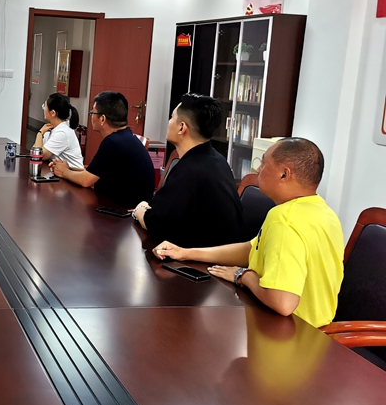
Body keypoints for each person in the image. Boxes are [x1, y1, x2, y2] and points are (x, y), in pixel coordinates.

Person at [153, 138, 344, 329]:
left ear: (284, 174)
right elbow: (253, 249)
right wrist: (185, 253)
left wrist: (243, 275)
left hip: (289, 335)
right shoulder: (325, 213)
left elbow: (282, 302)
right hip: (319, 336)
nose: (258, 169)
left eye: (264, 162)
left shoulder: (284, 219)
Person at [132, 93, 244, 247]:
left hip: (198, 256)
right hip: (216, 251)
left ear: (182, 127)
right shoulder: (217, 160)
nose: (169, 122)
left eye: (172, 117)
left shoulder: (189, 171)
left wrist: (140, 209)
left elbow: (155, 223)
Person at [50, 91, 154, 208]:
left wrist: (64, 172)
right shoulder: (125, 137)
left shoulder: (113, 143)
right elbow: (94, 172)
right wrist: (67, 168)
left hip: (123, 211)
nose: (91, 117)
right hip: (123, 203)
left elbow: (85, 180)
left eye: (92, 113)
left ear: (102, 119)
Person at [33, 93, 84, 169]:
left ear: (53, 113)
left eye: (45, 106)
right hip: (59, 172)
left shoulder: (63, 132)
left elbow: (39, 155)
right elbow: (34, 150)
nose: (43, 109)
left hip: (73, 174)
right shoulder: (50, 128)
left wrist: (40, 133)